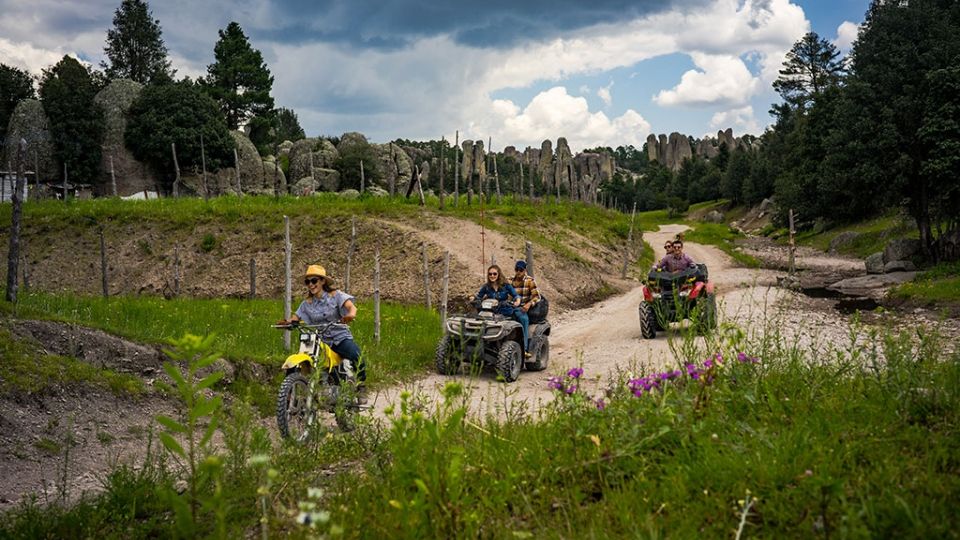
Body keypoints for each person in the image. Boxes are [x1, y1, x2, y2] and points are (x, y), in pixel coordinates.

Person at [282, 265, 366, 402]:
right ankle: (291, 397)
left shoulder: (336, 296)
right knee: (304, 361)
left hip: (339, 337)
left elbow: (352, 307)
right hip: (320, 341)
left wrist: (350, 315)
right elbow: (296, 317)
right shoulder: (306, 303)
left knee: (357, 355)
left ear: (322, 281)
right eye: (307, 282)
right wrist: (288, 322)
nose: (311, 285)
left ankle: (360, 386)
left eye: (314, 281)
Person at [476, 264, 530, 356]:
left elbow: (515, 295)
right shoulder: (486, 287)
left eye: (494, 274)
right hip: (490, 313)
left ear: (498, 274)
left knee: (523, 318)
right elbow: (478, 297)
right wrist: (473, 299)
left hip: (505, 310)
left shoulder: (506, 285)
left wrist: (517, 301)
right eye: (490, 274)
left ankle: (524, 348)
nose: (492, 276)